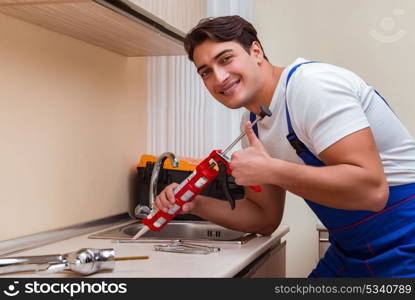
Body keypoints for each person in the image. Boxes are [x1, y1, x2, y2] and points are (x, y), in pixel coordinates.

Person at [154, 15, 415, 277]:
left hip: (407, 239)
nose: (219, 77)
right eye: (206, 72)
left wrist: (273, 170)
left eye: (226, 59)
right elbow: (264, 217)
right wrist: (195, 204)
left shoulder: (311, 86)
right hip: (351, 251)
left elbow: (372, 191)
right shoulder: (253, 123)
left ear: (256, 51)